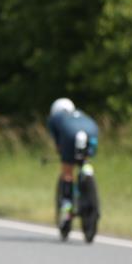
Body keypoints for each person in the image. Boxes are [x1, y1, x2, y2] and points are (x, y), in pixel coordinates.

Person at [47, 97, 99, 226]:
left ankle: (66, 206)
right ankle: (86, 172)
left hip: (70, 134)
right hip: (92, 131)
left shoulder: (54, 118)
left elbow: (58, 145)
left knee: (67, 171)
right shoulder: (80, 113)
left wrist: (63, 154)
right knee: (83, 160)